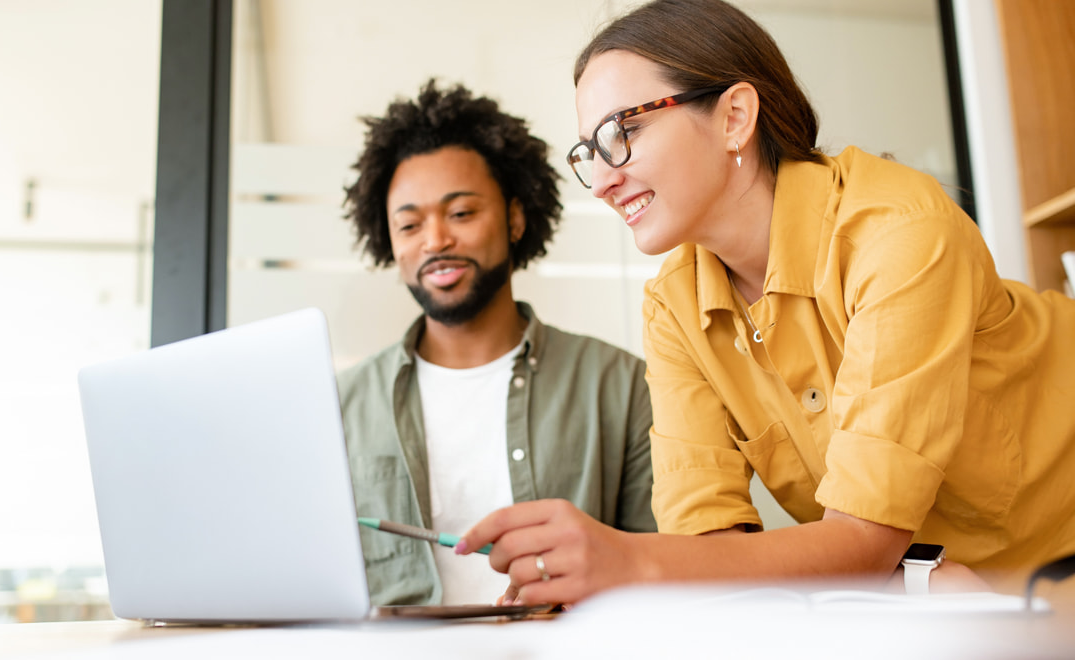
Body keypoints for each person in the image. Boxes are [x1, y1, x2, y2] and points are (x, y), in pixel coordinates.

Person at [456, 0, 1075, 606]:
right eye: (590, 152)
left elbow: (861, 543)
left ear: (734, 117)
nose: (604, 180)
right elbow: (708, 546)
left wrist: (630, 561)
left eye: (624, 132)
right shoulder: (674, 306)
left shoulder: (898, 233)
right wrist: (910, 581)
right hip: (957, 606)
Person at [337, 79, 657, 607]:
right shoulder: (340, 408)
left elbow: (665, 568)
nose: (435, 240)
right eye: (410, 224)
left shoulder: (620, 387)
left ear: (514, 218)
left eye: (461, 213)